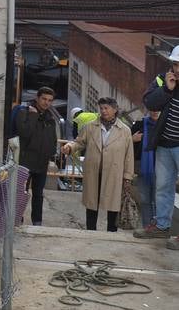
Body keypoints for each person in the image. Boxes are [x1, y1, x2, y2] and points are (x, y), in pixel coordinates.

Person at [61, 97, 131, 232]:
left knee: (113, 204)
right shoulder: (91, 127)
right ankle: (90, 231)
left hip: (113, 172)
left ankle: (111, 232)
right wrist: (69, 147)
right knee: (92, 203)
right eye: (101, 108)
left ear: (115, 110)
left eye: (106, 108)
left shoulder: (125, 130)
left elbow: (129, 156)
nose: (103, 111)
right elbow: (79, 142)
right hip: (94, 170)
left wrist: (127, 176)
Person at [137, 47, 179, 248]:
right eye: (176, 64)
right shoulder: (163, 80)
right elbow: (149, 102)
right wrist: (167, 90)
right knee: (163, 187)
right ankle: (162, 227)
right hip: (164, 144)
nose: (177, 69)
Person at [14, 87, 63, 226]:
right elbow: (25, 132)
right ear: (37, 98)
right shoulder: (25, 112)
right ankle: (17, 218)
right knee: (21, 193)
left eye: (49, 100)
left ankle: (37, 221)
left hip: (41, 163)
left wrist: (51, 153)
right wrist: (34, 116)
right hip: (25, 161)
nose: (46, 103)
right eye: (44, 99)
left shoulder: (50, 117)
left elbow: (52, 138)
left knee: (38, 194)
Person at [132, 110, 158, 230]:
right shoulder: (139, 125)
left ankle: (158, 228)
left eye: (158, 109)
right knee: (145, 200)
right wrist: (132, 139)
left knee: (158, 200)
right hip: (142, 168)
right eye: (153, 109)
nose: (155, 112)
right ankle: (147, 227)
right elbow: (126, 144)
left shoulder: (165, 126)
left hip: (161, 169)